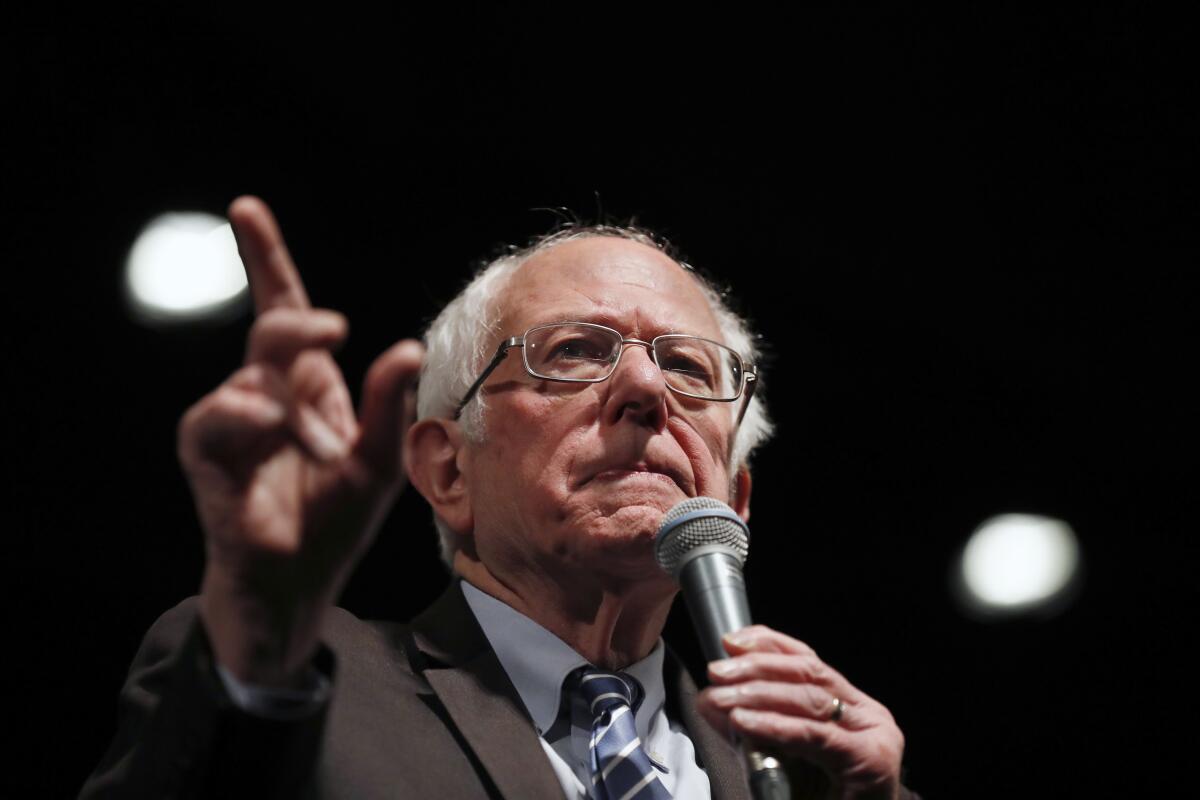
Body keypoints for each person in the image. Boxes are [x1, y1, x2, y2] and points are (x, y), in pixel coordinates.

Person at [82, 196, 914, 799]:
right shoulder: (296, 696)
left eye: (690, 368)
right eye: (578, 352)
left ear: (733, 498)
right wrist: (255, 659)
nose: (645, 389)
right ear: (448, 470)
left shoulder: (817, 778)